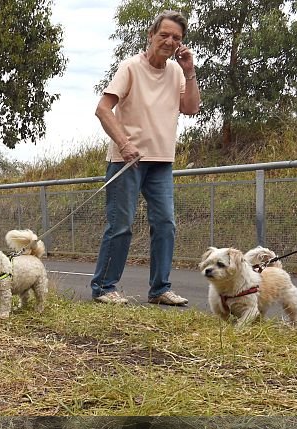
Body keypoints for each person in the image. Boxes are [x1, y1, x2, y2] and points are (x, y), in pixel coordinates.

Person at [91, 9, 201, 305]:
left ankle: (160, 289)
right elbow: (103, 109)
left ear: (181, 44)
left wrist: (190, 71)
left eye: (176, 38)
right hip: (126, 160)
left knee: (165, 223)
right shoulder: (130, 67)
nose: (169, 41)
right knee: (121, 225)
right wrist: (124, 143)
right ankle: (104, 287)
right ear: (151, 35)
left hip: (162, 162)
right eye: (164, 34)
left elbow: (190, 108)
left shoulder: (177, 71)